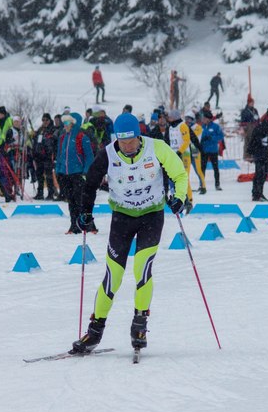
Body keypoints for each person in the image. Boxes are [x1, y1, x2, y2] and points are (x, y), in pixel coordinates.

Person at [70, 112, 188, 354]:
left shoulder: (157, 148)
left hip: (151, 216)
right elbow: (90, 183)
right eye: (122, 142)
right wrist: (85, 213)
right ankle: (94, 332)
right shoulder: (108, 154)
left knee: (142, 269)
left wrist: (179, 197)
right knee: (113, 275)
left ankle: (139, 325)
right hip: (122, 218)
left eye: (131, 141)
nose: (127, 147)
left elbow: (179, 174)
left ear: (139, 136)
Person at [55, 113, 94, 234]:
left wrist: (86, 172)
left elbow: (89, 156)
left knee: (81, 201)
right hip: (65, 174)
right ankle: (74, 225)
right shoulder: (63, 138)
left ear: (73, 123)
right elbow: (59, 155)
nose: (65, 125)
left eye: (67, 123)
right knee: (71, 201)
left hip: (78, 174)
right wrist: (58, 169)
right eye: (64, 123)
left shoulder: (82, 137)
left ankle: (88, 225)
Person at [166, 109, 194, 211]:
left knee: (184, 178)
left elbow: (187, 141)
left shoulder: (183, 126)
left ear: (175, 117)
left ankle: (189, 201)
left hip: (184, 155)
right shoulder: (170, 127)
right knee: (176, 178)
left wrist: (179, 152)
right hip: (174, 155)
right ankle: (181, 200)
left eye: (170, 116)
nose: (168, 118)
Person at [246, 108, 268, 201]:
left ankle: (257, 193)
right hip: (259, 154)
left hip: (264, 153)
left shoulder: (264, 127)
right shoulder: (260, 128)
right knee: (260, 174)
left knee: (262, 174)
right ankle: (257, 193)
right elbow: (254, 141)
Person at [33, 113, 57, 200]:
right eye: (43, 120)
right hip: (39, 155)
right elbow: (36, 141)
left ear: (50, 120)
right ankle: (40, 193)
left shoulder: (53, 129)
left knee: (48, 175)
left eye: (46, 120)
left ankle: (51, 193)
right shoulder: (40, 130)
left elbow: (54, 142)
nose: (45, 121)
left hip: (48, 155)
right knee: (39, 175)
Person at [200, 111, 225, 191]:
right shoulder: (202, 127)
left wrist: (212, 138)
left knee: (215, 168)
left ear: (208, 119)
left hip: (213, 150)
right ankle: (202, 185)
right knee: (202, 168)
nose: (203, 119)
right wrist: (202, 139)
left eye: (204, 118)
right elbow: (198, 137)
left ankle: (217, 184)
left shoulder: (216, 126)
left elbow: (221, 136)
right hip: (204, 150)